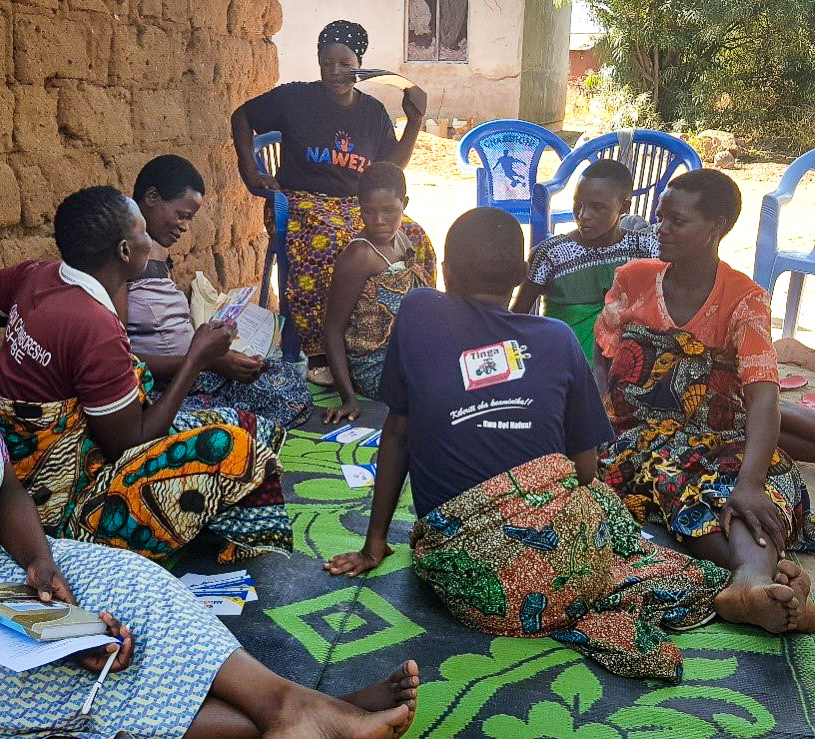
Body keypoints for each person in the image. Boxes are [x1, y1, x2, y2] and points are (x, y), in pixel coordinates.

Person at [0, 246, 422, 738]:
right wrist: (47, 639)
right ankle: (314, 714)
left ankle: (292, 706)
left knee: (141, 587)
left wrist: (39, 560)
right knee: (70, 675)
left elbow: (4, 484)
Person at [324, 208, 808, 683]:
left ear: (446, 272)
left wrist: (374, 544)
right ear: (521, 275)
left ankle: (744, 585)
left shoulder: (418, 311)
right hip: (570, 566)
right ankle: (739, 584)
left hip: (470, 584)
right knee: (608, 515)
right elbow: (585, 471)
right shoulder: (557, 339)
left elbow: (398, 431)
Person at [0, 186, 291, 564]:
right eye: (142, 233)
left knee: (243, 423)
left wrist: (30, 327)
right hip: (59, 507)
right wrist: (196, 359)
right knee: (236, 450)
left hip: (26, 472)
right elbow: (130, 444)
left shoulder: (38, 275)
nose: (149, 241)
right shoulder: (92, 326)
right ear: (124, 251)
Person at [594, 169, 815, 628]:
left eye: (677, 221)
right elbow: (603, 360)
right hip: (634, 436)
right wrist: (593, 426)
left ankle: (751, 585)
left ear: (716, 227)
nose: (662, 229)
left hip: (714, 432)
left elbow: (762, 398)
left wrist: (750, 482)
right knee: (678, 481)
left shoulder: (744, 300)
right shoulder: (633, 280)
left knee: (761, 480)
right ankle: (761, 581)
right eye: (661, 218)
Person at [231, 19, 437, 386]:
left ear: (360, 64)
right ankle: (322, 350)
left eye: (345, 63)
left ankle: (403, 334)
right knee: (332, 242)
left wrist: (414, 122)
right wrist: (250, 169)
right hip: (301, 202)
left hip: (355, 205)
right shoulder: (296, 99)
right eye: (327, 63)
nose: (336, 71)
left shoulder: (372, 112)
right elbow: (242, 116)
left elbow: (388, 171)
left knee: (416, 238)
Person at [125, 154, 312, 429]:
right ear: (152, 197)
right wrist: (207, 361)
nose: (185, 227)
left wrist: (213, 350)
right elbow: (124, 361)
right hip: (162, 386)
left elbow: (166, 324)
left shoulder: (158, 250)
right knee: (229, 422)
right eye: (181, 216)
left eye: (190, 219)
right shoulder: (124, 259)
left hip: (194, 370)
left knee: (288, 383)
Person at [511, 159, 658, 361]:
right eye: (578, 205)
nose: (583, 215)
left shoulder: (646, 249)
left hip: (631, 365)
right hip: (565, 363)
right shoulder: (551, 254)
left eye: (597, 207)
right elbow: (516, 318)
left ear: (624, 207)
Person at [323, 162, 430, 423]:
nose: (379, 221)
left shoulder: (402, 239)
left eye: (389, 210)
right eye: (369, 211)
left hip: (404, 353)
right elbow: (332, 330)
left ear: (404, 204)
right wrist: (348, 397)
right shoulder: (360, 256)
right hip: (376, 368)